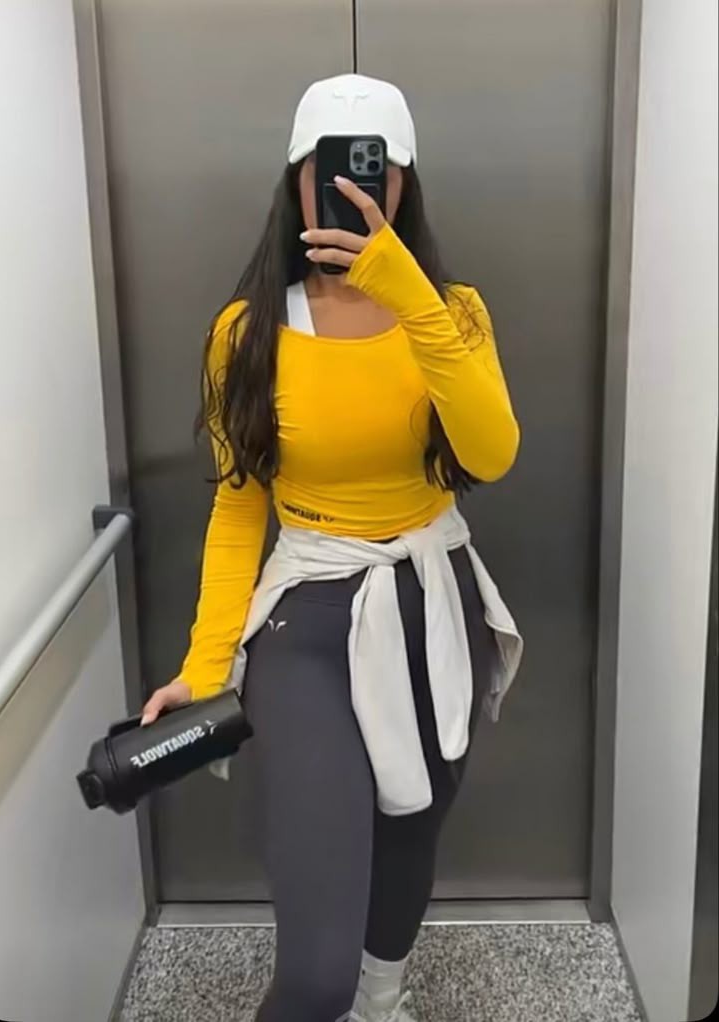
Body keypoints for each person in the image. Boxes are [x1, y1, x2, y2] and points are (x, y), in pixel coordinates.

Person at [140, 73, 523, 1022]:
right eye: (331, 168)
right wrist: (205, 664)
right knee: (314, 976)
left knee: (411, 828)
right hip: (306, 619)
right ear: (296, 181)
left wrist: (409, 295)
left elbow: (491, 453)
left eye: (375, 169)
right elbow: (239, 509)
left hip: (434, 602)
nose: (353, 187)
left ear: (404, 184)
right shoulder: (247, 333)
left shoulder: (455, 315)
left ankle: (384, 999)